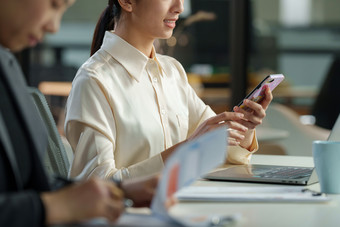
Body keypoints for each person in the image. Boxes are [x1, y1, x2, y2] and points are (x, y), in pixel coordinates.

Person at [65, 0, 273, 181]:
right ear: (127, 1)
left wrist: (244, 127)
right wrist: (187, 148)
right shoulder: (94, 80)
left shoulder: (172, 71)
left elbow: (220, 149)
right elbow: (95, 186)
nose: (179, 7)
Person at [0, 0, 158, 226]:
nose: (54, 27)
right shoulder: (95, 77)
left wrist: (116, 191)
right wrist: (52, 207)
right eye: (54, 5)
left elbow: (29, 184)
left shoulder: (7, 66)